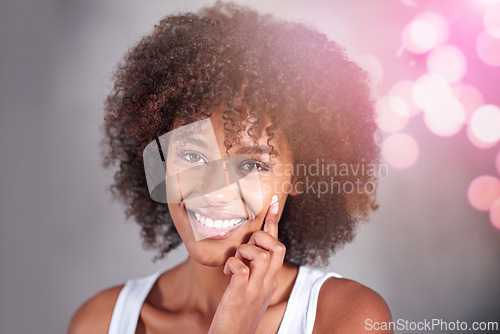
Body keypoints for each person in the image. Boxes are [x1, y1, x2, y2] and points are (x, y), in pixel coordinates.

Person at [68, 2, 392, 333]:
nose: (216, 191)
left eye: (252, 164)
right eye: (193, 156)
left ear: (300, 175)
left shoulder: (347, 317)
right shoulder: (100, 321)